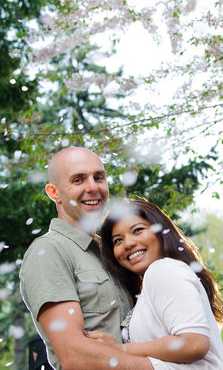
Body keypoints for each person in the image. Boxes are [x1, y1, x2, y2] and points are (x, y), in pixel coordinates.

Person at [20, 147, 153, 370]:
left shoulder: (113, 250)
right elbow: (75, 355)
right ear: (54, 192)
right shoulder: (49, 251)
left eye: (98, 177)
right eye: (78, 180)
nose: (93, 187)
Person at [86, 198, 223, 369]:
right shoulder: (154, 280)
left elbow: (194, 343)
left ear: (161, 231)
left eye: (138, 230)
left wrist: (121, 349)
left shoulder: (163, 269)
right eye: (118, 240)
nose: (128, 243)